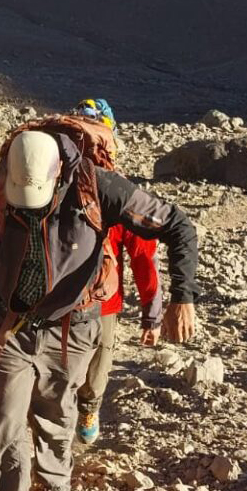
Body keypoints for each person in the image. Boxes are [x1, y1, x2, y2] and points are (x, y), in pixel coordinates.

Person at [0, 121, 198, 491]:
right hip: (12, 323)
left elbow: (177, 225)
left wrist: (180, 297)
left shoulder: (99, 187)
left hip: (73, 323)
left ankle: (55, 482)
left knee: (57, 410)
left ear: (59, 173)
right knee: (4, 419)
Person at [72, 99, 162, 446]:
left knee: (96, 371)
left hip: (101, 300)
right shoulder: (49, 182)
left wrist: (151, 312)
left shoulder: (118, 194)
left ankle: (88, 407)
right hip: (63, 297)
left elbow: (142, 255)